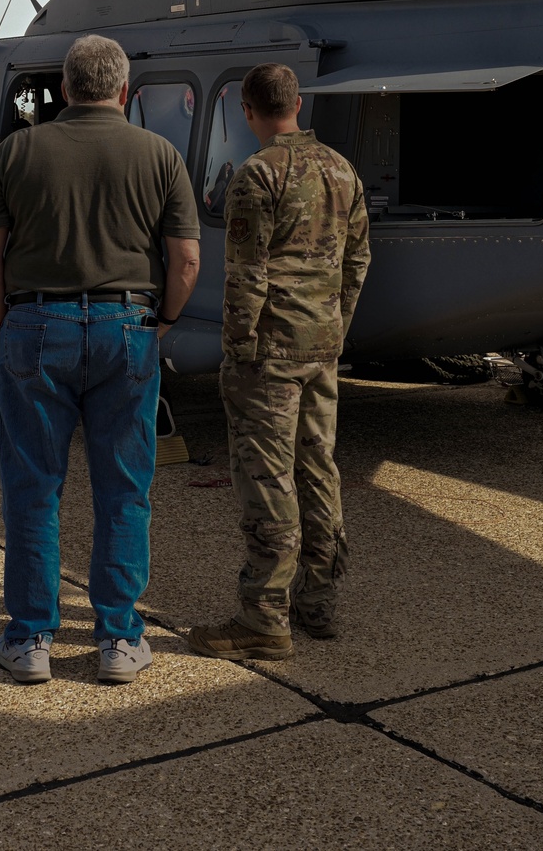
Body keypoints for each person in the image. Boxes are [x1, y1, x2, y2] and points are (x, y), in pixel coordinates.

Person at [0, 35, 201, 686]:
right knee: (124, 491)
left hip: (33, 324)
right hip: (127, 327)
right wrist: (163, 322)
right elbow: (185, 259)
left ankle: (29, 638)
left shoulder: (17, 150)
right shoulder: (159, 154)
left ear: (65, 89)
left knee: (33, 488)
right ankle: (119, 639)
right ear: (124, 91)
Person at [188, 63, 370, 663]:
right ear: (296, 104)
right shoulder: (342, 170)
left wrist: (239, 349)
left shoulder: (258, 174)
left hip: (270, 353)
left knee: (267, 479)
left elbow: (246, 273)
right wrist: (335, 325)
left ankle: (264, 616)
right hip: (321, 346)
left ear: (249, 110)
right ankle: (317, 601)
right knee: (318, 467)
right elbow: (358, 260)